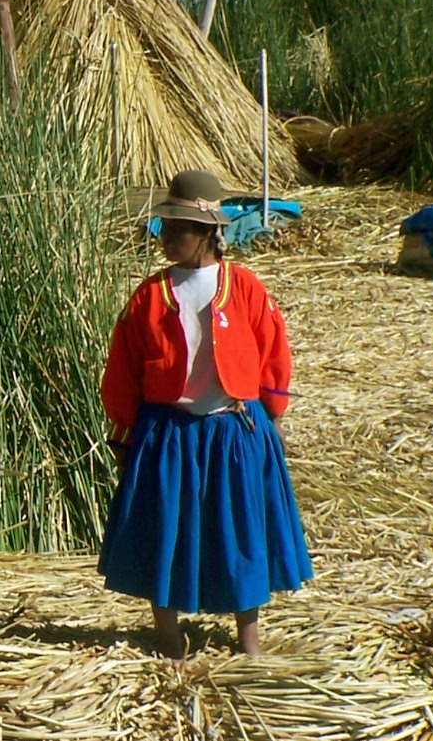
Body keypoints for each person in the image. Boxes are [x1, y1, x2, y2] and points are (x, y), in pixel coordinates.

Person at [98, 169, 312, 660]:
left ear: (211, 233)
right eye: (165, 226)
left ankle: (249, 642)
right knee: (166, 531)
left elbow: (273, 351)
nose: (166, 236)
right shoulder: (149, 297)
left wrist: (272, 416)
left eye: (179, 228)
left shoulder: (245, 287)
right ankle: (169, 641)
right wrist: (124, 434)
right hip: (168, 432)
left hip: (234, 429)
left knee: (241, 532)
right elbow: (123, 369)